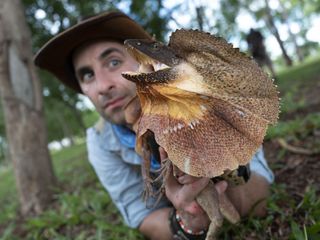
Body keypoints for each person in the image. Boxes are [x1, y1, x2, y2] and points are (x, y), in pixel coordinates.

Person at [34, 11, 275, 240]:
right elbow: (142, 216)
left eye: (114, 62)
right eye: (87, 75)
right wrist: (185, 221)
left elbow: (260, 201)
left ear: (148, 63)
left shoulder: (208, 102)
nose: (102, 86)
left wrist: (216, 167)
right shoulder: (100, 142)